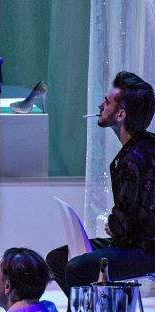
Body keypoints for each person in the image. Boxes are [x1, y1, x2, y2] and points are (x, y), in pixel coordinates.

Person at [47, 71, 155, 295]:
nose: (100, 105)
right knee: (58, 258)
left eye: (106, 102)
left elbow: (126, 224)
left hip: (144, 250)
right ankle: (94, 309)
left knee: (75, 267)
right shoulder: (144, 145)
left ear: (121, 114)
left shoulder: (133, 159)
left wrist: (113, 225)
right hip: (134, 243)